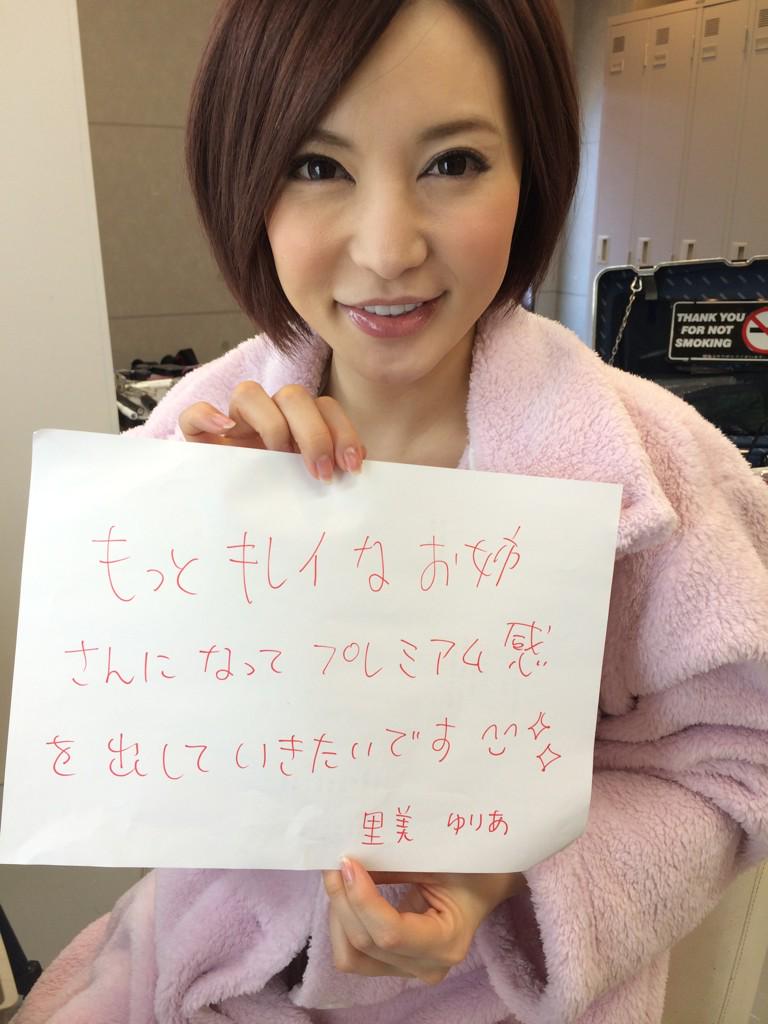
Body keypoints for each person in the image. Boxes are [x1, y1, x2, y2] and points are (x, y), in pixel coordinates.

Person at [13, 1, 768, 1022]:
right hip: (201, 980)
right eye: (317, 166)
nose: (386, 248)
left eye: (452, 162)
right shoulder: (192, 446)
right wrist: (214, 570)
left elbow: (736, 762)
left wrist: (503, 883)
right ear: (247, 180)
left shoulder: (658, 476)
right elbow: (127, 743)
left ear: (532, 172)